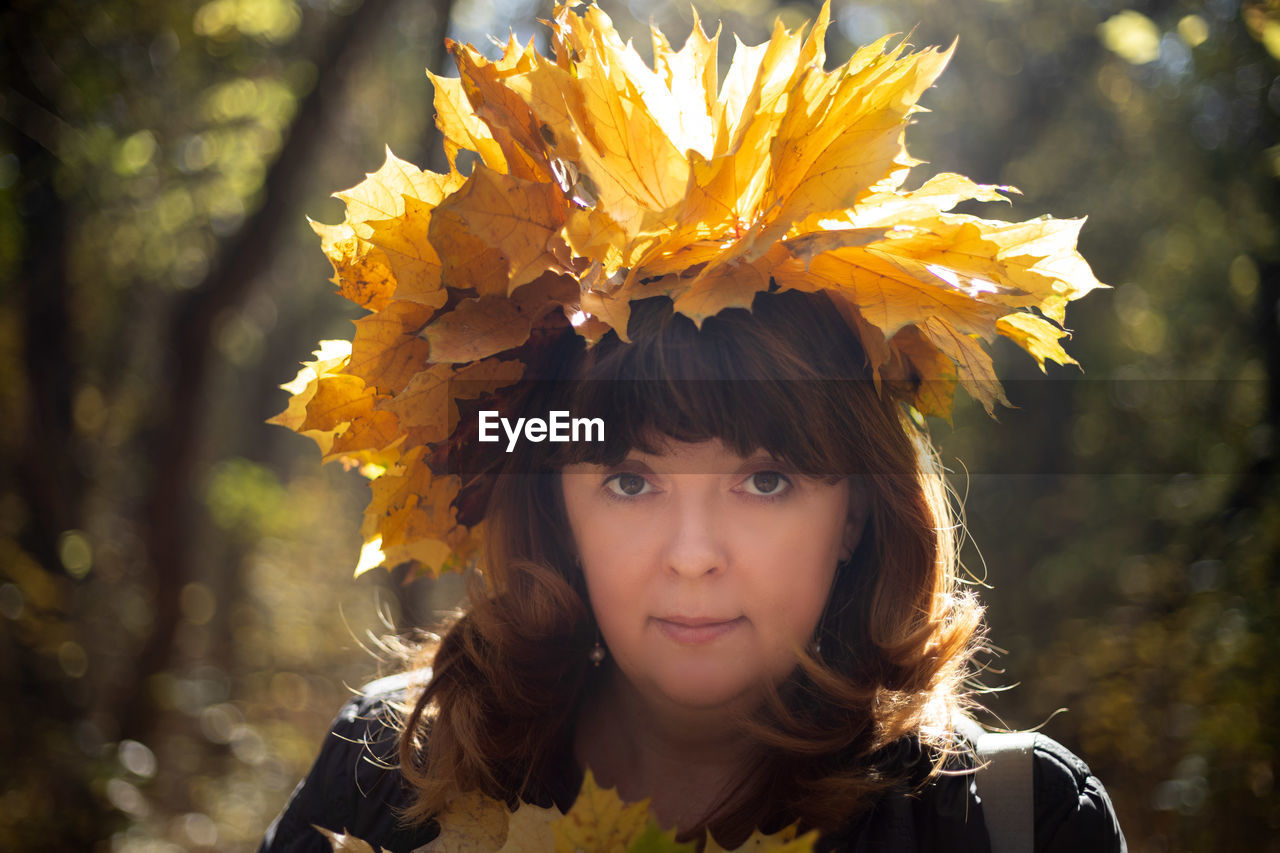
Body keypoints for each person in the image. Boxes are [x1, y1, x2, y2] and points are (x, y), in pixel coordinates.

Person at [260, 3, 1125, 851]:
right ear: (559, 506)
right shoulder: (390, 772)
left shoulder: (1010, 820)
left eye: (766, 479)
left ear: (858, 510)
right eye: (630, 481)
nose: (693, 554)